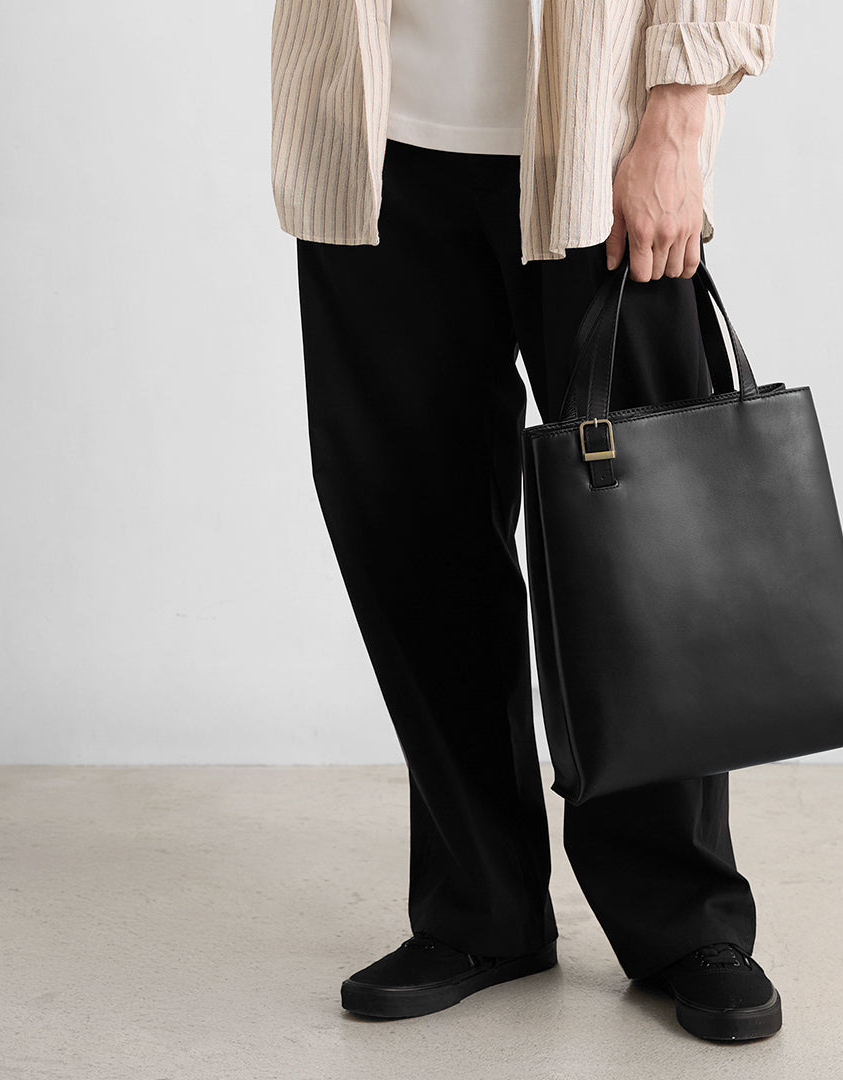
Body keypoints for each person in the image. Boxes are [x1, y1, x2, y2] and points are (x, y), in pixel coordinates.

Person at [271, 0, 780, 1044]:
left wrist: (679, 116)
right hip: (373, 132)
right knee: (413, 534)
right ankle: (479, 907)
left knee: (645, 552)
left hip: (599, 137)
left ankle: (682, 917)